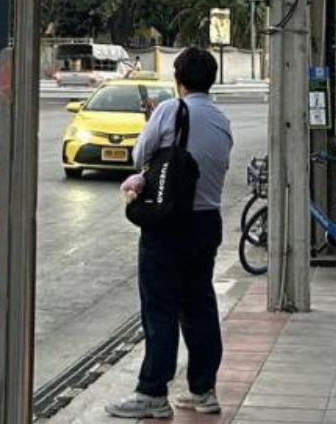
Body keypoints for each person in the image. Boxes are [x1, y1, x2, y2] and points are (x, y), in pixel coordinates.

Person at [106, 47, 233, 419]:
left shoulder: (169, 110)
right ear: (211, 80)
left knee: (160, 307)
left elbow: (139, 156)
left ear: (178, 79)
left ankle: (152, 393)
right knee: (199, 305)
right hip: (207, 222)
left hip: (169, 224)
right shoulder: (222, 119)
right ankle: (204, 390)